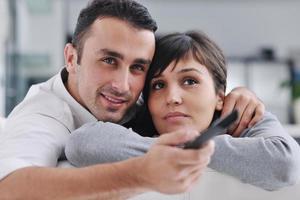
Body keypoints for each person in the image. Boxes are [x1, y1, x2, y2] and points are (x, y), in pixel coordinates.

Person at [0, 0, 266, 199]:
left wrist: (243, 95)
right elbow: (8, 188)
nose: (122, 85)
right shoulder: (44, 115)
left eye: (138, 67)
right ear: (72, 59)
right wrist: (139, 174)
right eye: (108, 60)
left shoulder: (140, 100)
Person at [65, 31, 300, 191]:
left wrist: (179, 148)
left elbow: (284, 164)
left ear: (220, 96)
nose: (172, 98)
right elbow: (82, 144)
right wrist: (177, 148)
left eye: (189, 81)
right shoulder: (139, 119)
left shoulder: (244, 116)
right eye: (158, 85)